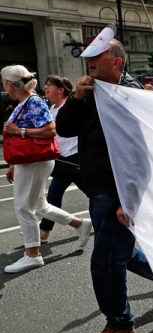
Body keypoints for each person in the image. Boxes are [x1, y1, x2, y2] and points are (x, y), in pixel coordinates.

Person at [55, 26, 153, 333]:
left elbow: (140, 153)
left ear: (116, 62)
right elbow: (64, 129)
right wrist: (76, 97)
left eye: (97, 58)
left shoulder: (129, 95)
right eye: (88, 58)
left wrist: (130, 200)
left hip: (115, 191)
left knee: (106, 260)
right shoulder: (91, 90)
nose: (90, 63)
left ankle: (120, 323)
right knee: (121, 253)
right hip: (96, 188)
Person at [2, 66, 92, 273]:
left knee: (23, 207)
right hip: (28, 160)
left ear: (10, 84)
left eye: (4, 83)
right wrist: (13, 164)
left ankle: (32, 255)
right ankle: (80, 224)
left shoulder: (32, 101)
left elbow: (50, 129)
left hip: (35, 161)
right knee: (40, 206)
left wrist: (20, 130)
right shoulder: (24, 103)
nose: (4, 87)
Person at [39, 75, 85, 243]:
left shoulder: (70, 106)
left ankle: (44, 230)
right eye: (45, 84)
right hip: (63, 159)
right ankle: (44, 230)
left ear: (60, 90)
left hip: (76, 157)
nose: (45, 87)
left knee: (94, 192)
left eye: (49, 85)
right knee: (54, 194)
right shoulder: (52, 108)